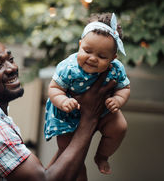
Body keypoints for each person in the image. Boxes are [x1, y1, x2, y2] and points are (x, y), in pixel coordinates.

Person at [0, 32, 116, 180]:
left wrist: (79, 125)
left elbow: (47, 175)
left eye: (10, 59)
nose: (12, 68)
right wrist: (89, 119)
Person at [44, 13, 130, 179]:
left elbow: (124, 87)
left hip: (103, 109)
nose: (92, 58)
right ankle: (78, 173)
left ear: (113, 58)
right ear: (80, 44)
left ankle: (102, 156)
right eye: (87, 51)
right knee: (69, 152)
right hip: (68, 114)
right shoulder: (69, 67)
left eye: (102, 56)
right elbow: (54, 88)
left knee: (120, 127)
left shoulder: (116, 69)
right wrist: (63, 101)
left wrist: (117, 99)